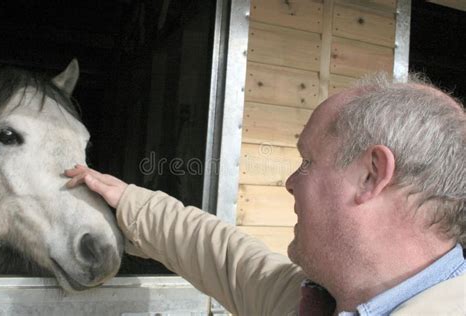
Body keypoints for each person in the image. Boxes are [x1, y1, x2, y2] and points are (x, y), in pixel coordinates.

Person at [65, 73, 465, 315]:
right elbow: (226, 256)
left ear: (371, 175)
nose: (291, 181)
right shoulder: (315, 300)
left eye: (308, 161)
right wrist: (130, 201)